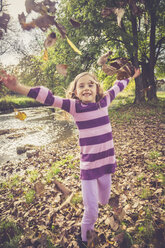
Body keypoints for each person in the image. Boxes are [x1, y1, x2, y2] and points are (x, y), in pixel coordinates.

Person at [0, 67, 141, 247]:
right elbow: (49, 98)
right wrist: (18, 87)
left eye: (90, 84)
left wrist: (133, 76)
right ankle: (83, 240)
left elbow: (119, 85)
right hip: (89, 169)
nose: (86, 88)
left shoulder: (104, 101)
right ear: (75, 92)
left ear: (97, 88)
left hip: (106, 164)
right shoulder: (75, 107)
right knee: (92, 212)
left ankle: (101, 201)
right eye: (81, 86)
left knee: (104, 200)